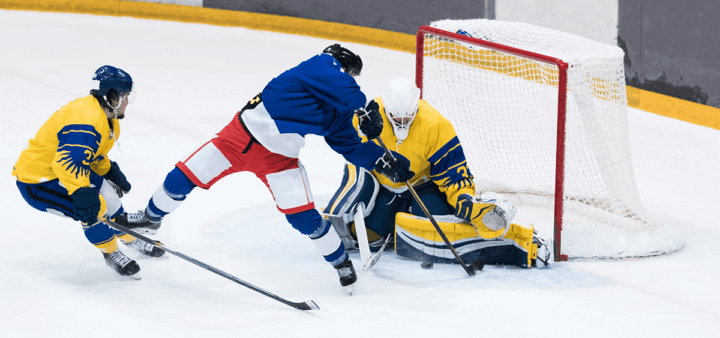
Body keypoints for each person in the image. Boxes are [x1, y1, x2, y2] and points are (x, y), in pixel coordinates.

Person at [113, 44, 413, 289]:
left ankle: (340, 263)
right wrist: (362, 106)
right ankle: (151, 218)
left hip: (279, 160)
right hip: (237, 138)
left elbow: (350, 146)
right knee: (183, 176)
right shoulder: (319, 65)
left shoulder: (338, 112)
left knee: (304, 219)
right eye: (351, 76)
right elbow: (339, 83)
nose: (352, 82)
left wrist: (383, 161)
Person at [322, 78, 552, 268]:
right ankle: (391, 224)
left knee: (441, 230)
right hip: (384, 187)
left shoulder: (436, 125)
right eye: (396, 117)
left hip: (422, 185)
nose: (402, 122)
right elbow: (347, 149)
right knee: (369, 239)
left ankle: (518, 241)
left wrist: (462, 197)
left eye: (408, 117)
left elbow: (453, 172)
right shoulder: (366, 118)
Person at [12, 65, 165, 277]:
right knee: (95, 208)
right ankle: (111, 253)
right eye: (125, 96)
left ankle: (130, 238)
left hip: (63, 169)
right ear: (112, 96)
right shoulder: (86, 119)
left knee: (110, 199)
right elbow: (67, 162)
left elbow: (88, 154)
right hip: (38, 180)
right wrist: (83, 193)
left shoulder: (105, 117)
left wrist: (108, 170)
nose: (128, 102)